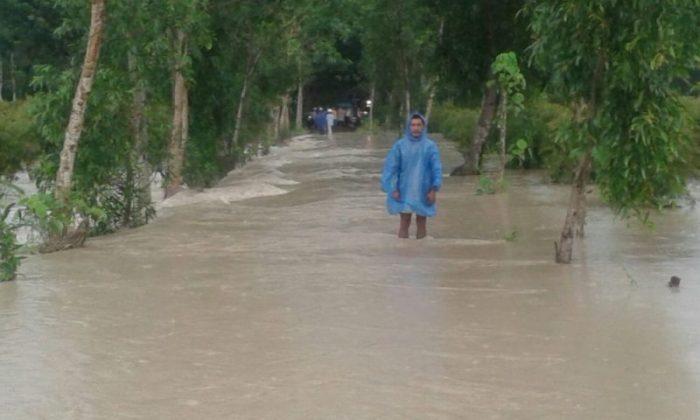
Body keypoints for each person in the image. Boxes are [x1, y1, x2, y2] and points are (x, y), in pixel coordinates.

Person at [381, 112, 442, 239]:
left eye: (419, 125)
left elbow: (436, 169)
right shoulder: (400, 146)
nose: (416, 128)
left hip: (424, 189)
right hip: (404, 190)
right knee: (404, 222)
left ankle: (421, 249)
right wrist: (392, 188)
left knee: (421, 222)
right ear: (409, 127)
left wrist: (434, 189)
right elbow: (391, 168)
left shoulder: (430, 146)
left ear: (423, 127)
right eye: (413, 125)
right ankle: (403, 250)